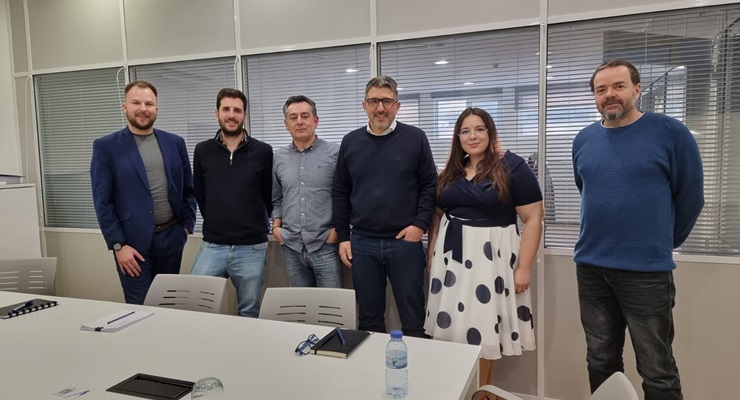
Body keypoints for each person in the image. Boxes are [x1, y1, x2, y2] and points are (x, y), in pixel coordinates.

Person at [572, 59, 704, 399]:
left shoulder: (670, 133)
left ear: (637, 89)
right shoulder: (584, 139)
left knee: (657, 370)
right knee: (600, 360)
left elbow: (690, 197)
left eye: (618, 86)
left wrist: (660, 243)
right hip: (591, 268)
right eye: (601, 89)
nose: (609, 94)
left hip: (646, 272)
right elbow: (587, 190)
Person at [424, 108, 544, 391]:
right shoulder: (451, 171)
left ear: (490, 132)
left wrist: (523, 268)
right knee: (454, 331)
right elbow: (438, 215)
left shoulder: (512, 166)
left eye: (479, 129)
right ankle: (457, 391)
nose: (472, 136)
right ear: (458, 137)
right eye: (465, 131)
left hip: (491, 261)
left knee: (483, 330)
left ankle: (481, 392)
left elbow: (533, 218)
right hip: (451, 262)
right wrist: (431, 254)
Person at [333, 75, 438, 337]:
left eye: (387, 101)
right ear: (364, 105)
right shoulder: (350, 141)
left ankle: (417, 363)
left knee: (413, 317)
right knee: (369, 319)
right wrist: (344, 237)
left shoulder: (415, 138)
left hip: (405, 243)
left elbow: (429, 185)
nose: (380, 108)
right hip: (362, 244)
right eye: (374, 101)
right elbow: (341, 191)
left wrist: (420, 225)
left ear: (397, 105)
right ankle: (373, 364)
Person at [91, 80, 196, 304]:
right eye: (136, 103)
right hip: (132, 245)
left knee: (169, 304)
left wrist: (186, 227)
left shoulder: (175, 143)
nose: (143, 109)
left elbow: (188, 188)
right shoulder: (106, 147)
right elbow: (103, 202)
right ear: (124, 107)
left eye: (149, 104)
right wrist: (118, 245)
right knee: (140, 307)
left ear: (156, 108)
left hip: (171, 239)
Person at [190, 88, 273, 318]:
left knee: (249, 310)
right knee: (195, 304)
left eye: (237, 110)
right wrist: (218, 218)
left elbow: (269, 195)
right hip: (213, 245)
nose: (231, 115)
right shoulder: (202, 150)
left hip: (251, 247)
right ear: (217, 113)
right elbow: (200, 193)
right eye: (226, 109)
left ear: (244, 115)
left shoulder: (263, 151)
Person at [272, 95, 342, 288]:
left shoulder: (335, 154)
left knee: (331, 304)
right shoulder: (279, 157)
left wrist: (337, 232)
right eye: (293, 117)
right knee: (301, 304)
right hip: (291, 246)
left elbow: (346, 196)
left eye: (305, 116)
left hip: (325, 246)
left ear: (315, 121)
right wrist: (276, 228)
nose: (299, 121)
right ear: (286, 124)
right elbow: (277, 198)